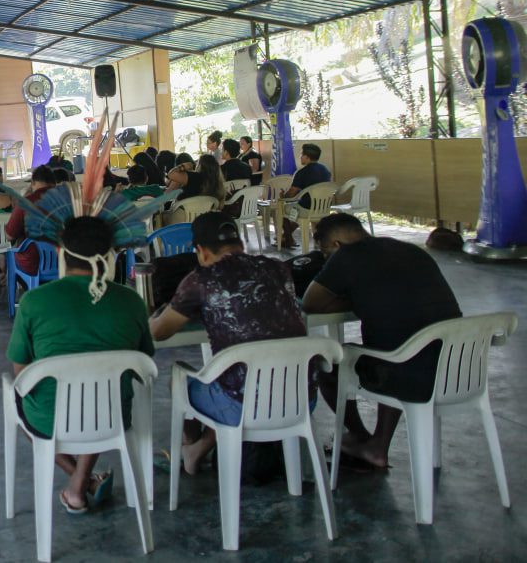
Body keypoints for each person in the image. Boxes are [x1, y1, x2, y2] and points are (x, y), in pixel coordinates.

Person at [7, 215, 155, 513]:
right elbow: (144, 362)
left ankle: (78, 481)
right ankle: (82, 480)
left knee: (18, 403)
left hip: (49, 418)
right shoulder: (131, 301)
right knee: (101, 395)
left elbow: (21, 374)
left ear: (61, 253)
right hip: (113, 414)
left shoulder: (35, 302)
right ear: (111, 255)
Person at [149, 213, 308, 474]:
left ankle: (190, 448)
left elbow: (159, 333)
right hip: (300, 397)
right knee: (229, 380)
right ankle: (197, 449)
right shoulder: (278, 268)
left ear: (200, 251)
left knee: (182, 378)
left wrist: (155, 314)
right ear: (241, 244)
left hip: (242, 405)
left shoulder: (202, 280)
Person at [302, 213, 462, 469]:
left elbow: (311, 303)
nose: (326, 260)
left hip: (409, 373)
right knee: (394, 344)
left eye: (325, 253)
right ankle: (377, 444)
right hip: (456, 369)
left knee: (327, 363)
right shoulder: (411, 250)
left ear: (336, 245)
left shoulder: (347, 256)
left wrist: (352, 297)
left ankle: (360, 437)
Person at [281, 143, 333, 248]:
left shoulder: (302, 172)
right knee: (296, 212)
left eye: (301, 154)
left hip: (307, 208)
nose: (300, 156)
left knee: (281, 208)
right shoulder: (325, 170)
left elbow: (291, 194)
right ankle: (285, 237)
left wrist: (282, 196)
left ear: (307, 157)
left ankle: (287, 238)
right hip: (324, 207)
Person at [6, 165, 55, 276]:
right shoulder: (69, 200)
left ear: (33, 183)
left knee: (12, 254)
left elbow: (9, 236)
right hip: (66, 264)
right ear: (54, 183)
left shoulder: (26, 203)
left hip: (33, 264)